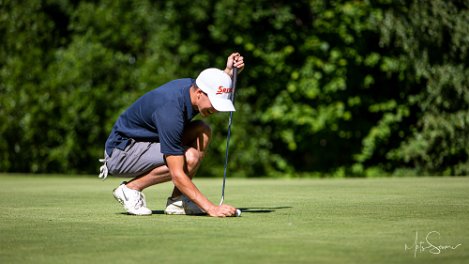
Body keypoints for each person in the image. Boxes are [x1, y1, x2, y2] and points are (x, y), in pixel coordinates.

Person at [98, 53, 244, 217]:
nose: (216, 110)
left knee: (202, 130)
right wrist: (211, 208)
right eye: (214, 103)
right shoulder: (170, 112)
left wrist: (227, 73)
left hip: (146, 143)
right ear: (199, 94)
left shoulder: (193, 87)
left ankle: (177, 202)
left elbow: (210, 84)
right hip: (122, 153)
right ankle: (130, 189)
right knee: (189, 157)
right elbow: (177, 174)